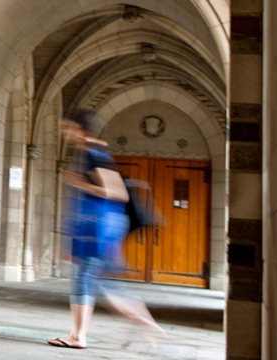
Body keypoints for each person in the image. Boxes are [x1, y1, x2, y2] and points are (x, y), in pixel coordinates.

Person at [47, 108, 164, 350]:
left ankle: (78, 336)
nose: (64, 133)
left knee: (84, 279)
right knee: (104, 283)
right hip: (101, 230)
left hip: (97, 230)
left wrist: (81, 183)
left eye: (67, 128)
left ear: (80, 130)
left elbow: (116, 192)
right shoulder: (98, 152)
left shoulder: (92, 154)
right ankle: (142, 320)